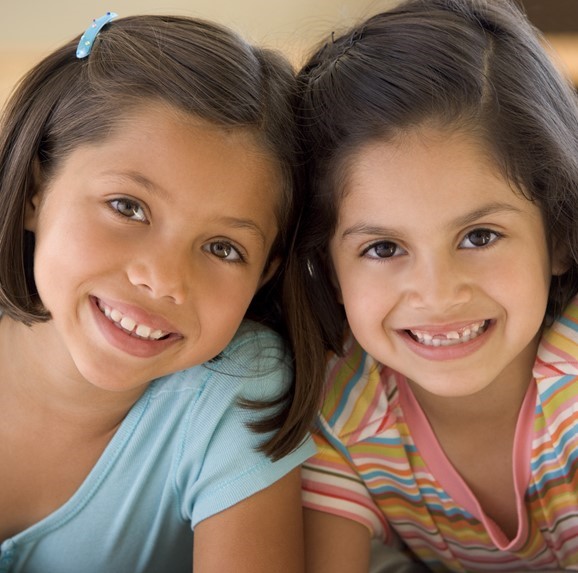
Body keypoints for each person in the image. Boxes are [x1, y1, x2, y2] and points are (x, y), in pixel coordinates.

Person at [0, 12, 318, 573]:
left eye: (223, 248)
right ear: (34, 189)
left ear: (264, 273)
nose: (165, 280)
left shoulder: (234, 388)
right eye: (128, 207)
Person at [289, 0, 578, 571]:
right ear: (325, 266)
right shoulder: (339, 410)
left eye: (479, 236)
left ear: (560, 233)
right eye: (383, 248)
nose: (438, 292)